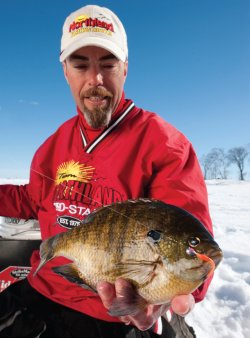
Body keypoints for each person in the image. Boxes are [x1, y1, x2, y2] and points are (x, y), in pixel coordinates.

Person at [0, 4, 213, 338]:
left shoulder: (165, 144)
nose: (95, 79)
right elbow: (33, 200)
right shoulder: (51, 147)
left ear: (125, 68)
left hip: (118, 315)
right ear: (65, 71)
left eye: (108, 64)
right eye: (81, 64)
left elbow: (188, 235)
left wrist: (165, 299)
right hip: (44, 292)